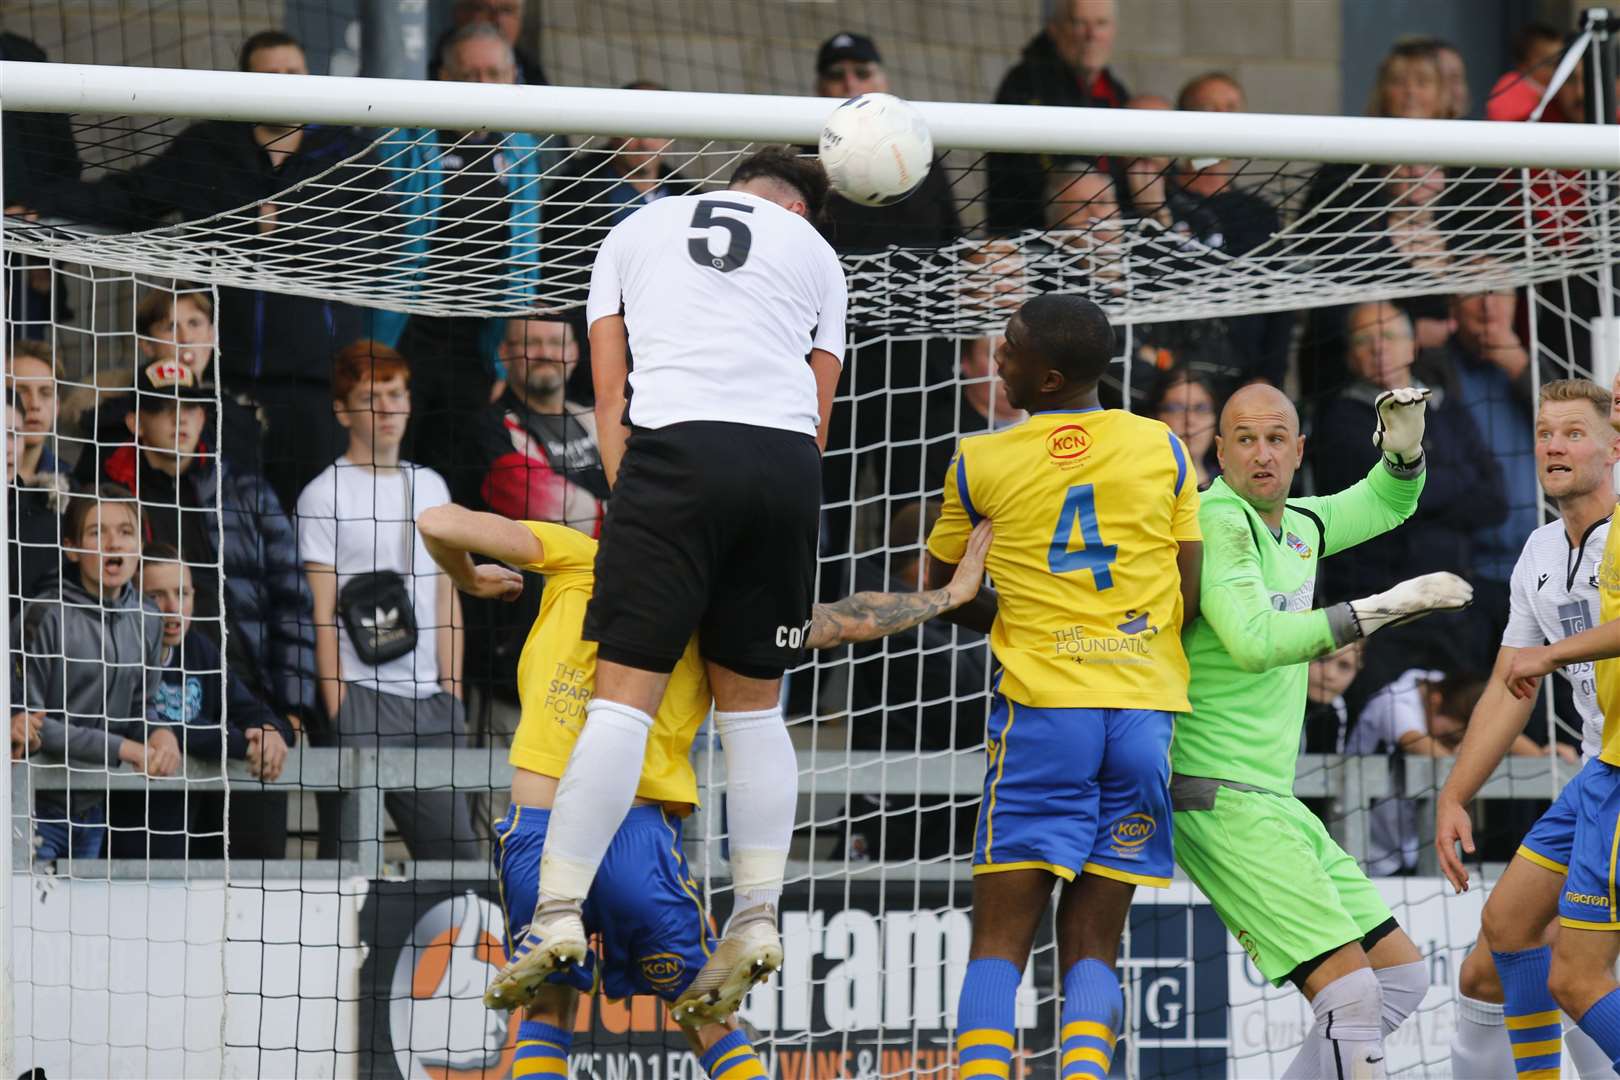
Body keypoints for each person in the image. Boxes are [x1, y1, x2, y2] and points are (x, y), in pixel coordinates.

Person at [416, 504, 990, 1041]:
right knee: (707, 1016)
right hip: (636, 838)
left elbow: (437, 520)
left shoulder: (577, 554)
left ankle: (557, 925)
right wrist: (949, 594)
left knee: (546, 1009)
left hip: (536, 833)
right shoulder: (720, 609)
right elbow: (848, 619)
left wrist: (469, 579)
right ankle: (753, 922)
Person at [505, 147, 846, 1010]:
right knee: (755, 717)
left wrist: (643, 505)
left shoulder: (634, 227)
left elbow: (610, 388)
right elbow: (819, 415)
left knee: (622, 706)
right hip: (781, 468)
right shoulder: (819, 255)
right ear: (800, 208)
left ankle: (555, 912)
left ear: (731, 190)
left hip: (673, 457)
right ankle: (759, 915)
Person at [921, 294, 1203, 1080]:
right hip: (1143, 719)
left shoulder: (980, 461)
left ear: (1045, 377)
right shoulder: (1165, 448)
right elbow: (1192, 598)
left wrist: (1025, 621)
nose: (995, 357)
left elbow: (944, 595)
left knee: (1000, 943)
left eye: (1005, 348)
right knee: (1094, 949)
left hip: (1047, 715)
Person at [1170, 380, 1469, 1077]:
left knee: (1398, 981)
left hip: (1272, 799)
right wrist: (1380, 609)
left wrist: (1403, 455)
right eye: (1244, 439)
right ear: (1220, 451)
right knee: (1352, 993)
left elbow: (1385, 503)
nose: (1261, 454)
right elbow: (1250, 639)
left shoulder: (1300, 523)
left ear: (1299, 449)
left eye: (1276, 438)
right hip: (1216, 795)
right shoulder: (1218, 520)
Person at [12, 32, 367, 504]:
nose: (284, 84)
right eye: (269, 76)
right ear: (245, 86)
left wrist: (289, 225)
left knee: (315, 522)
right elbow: (131, 198)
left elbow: (380, 250)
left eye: (293, 74)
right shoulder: (208, 150)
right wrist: (41, 201)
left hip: (313, 389)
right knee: (226, 521)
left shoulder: (347, 156)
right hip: (221, 388)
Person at [1435, 378, 1620, 1079]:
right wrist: (1454, 795)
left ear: (1613, 448)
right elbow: (1510, 685)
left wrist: (1552, 654)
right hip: (1598, 772)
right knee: (1508, 928)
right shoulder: (1539, 551)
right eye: (1545, 433)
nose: (1553, 445)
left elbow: (1539, 662)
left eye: (1573, 432)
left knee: (1577, 980)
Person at [297, 340, 478, 862]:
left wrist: (452, 693)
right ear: (342, 410)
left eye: (396, 394)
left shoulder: (432, 486)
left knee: (458, 864)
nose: (388, 409)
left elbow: (448, 597)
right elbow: (321, 613)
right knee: (349, 866)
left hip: (434, 704)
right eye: (371, 397)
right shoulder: (323, 494)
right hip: (362, 696)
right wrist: (340, 708)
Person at [372, 23, 567, 480]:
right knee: (391, 470)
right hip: (406, 335)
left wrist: (503, 353)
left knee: (457, 477)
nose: (483, 87)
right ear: (443, 76)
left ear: (513, 76)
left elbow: (526, 253)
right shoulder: (404, 143)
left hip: (477, 345)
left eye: (494, 74)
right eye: (470, 75)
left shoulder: (521, 150)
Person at [100, 354, 317, 756]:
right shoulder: (110, 501)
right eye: (163, 409)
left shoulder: (247, 493)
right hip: (149, 714)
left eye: (189, 408)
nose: (178, 420)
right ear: (135, 422)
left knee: (256, 820)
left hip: (248, 707)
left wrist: (291, 710)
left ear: (203, 419)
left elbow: (293, 601)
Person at [1309, 301, 1507, 680]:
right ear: (1351, 356)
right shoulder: (1340, 420)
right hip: (1380, 607)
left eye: (1388, 336)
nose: (1378, 348)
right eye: (1365, 340)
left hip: (1452, 596)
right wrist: (1455, 480)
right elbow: (1396, 502)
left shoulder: (1447, 407)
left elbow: (1494, 499)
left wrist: (1421, 490)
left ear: (1412, 345)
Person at [15, 485, 172, 862]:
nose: (113, 543)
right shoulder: (43, 616)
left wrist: (160, 732)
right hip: (32, 804)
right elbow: (26, 722)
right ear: (71, 547)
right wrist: (124, 749)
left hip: (94, 807)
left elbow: (141, 710)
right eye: (97, 532)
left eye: (125, 531)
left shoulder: (149, 619)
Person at [123, 546, 296, 860]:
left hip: (190, 832)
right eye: (156, 596)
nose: (173, 609)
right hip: (128, 832)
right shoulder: (121, 651)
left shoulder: (200, 649)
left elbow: (247, 707)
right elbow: (138, 725)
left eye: (182, 593)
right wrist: (236, 742)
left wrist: (269, 729)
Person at [811, 32, 961, 252]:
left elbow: (954, 238)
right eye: (835, 75)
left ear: (883, 82)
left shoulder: (917, 153)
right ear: (820, 88)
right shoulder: (805, 163)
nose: (850, 83)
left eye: (862, 72)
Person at [987, 0, 1127, 233]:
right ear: (1054, 28)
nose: (1091, 35)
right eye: (1079, 23)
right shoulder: (1023, 85)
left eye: (1101, 23)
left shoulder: (1116, 92)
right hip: (1033, 241)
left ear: (1113, 30)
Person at [428, 0, 548, 85]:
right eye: (482, 8)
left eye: (506, 9)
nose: (497, 19)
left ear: (513, 74)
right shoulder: (422, 79)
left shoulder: (535, 77)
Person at [8, 341, 69, 487]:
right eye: (21, 391)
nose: (34, 404)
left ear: (57, 406)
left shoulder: (71, 484)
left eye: (45, 393)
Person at [1149, 369, 1219, 489]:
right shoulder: (1140, 482)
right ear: (1154, 416)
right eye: (1175, 408)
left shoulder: (1233, 485)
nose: (1189, 420)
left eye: (1201, 408)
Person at [1487, 23, 1568, 123]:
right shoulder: (1510, 87)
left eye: (1560, 62)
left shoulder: (1563, 89)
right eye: (1549, 62)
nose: (1557, 69)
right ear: (1524, 63)